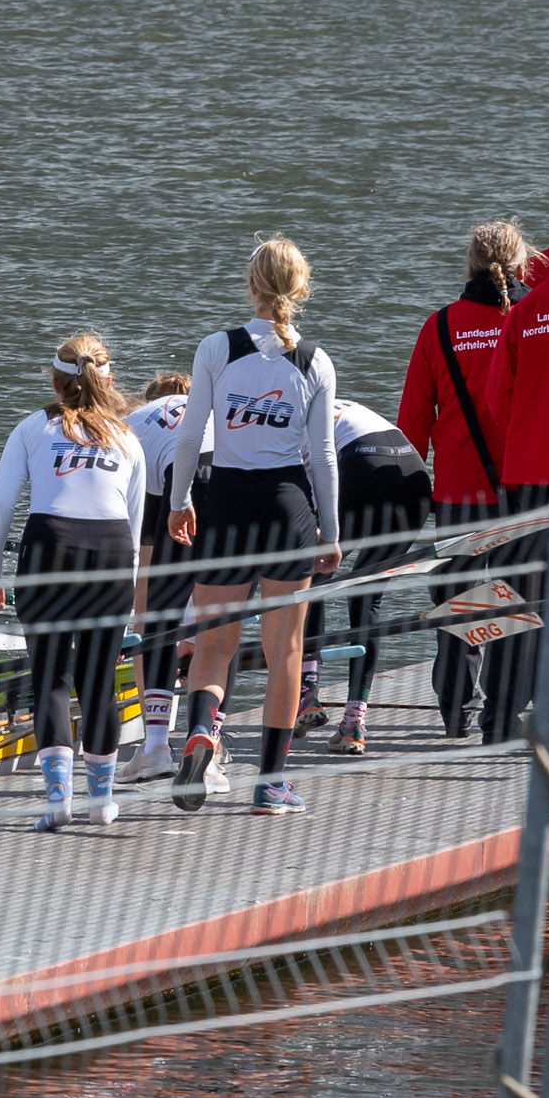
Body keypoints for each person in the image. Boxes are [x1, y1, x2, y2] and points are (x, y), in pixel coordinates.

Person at [167, 238, 342, 818]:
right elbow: (321, 456)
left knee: (215, 645)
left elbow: (190, 437)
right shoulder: (315, 360)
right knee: (284, 652)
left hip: (228, 504)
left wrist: (179, 500)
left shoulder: (217, 348)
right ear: (301, 289)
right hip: (288, 508)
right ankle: (270, 785)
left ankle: (200, 731)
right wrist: (332, 532)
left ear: (251, 284)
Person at [0, 333, 146, 830]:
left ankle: (57, 801)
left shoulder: (34, 426)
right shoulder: (128, 437)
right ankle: (101, 802)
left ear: (54, 380)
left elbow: (1, 505)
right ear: (107, 379)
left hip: (50, 546)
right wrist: (131, 592)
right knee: (99, 680)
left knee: (51, 676)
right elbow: (135, 528)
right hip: (112, 552)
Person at [399, 220, 525, 738]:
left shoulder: (441, 326)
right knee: (518, 596)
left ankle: (456, 711)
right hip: (525, 485)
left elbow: (412, 422)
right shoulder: (533, 320)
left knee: (457, 595)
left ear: (468, 264)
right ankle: (504, 709)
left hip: (458, 489)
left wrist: (413, 489)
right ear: (523, 265)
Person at [303, 399, 431, 755]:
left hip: (363, 466)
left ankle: (306, 695)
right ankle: (354, 723)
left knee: (313, 577)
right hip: (414, 475)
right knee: (366, 595)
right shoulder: (331, 404)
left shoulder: (290, 420)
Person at [117, 371, 214, 788]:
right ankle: (212, 740)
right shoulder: (212, 410)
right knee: (219, 621)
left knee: (153, 620)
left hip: (180, 481)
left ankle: (154, 743)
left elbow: (144, 563)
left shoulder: (133, 427)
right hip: (239, 479)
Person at [485, 234, 549, 746]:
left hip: (528, 472)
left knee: (516, 596)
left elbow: (497, 399)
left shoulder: (528, 309)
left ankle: (497, 719)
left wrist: (531, 433)